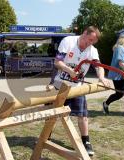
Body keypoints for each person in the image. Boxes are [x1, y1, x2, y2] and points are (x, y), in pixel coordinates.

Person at [51, 26, 110, 156]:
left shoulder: (92, 50)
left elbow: (99, 66)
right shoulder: (68, 41)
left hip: (77, 87)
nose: (89, 43)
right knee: (53, 113)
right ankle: (46, 136)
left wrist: (101, 77)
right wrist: (70, 71)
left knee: (83, 116)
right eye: (89, 40)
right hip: (60, 84)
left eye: (92, 42)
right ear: (84, 33)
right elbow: (57, 62)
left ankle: (86, 142)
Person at [103, 33, 124, 116]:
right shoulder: (120, 48)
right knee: (119, 94)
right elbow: (120, 61)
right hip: (119, 74)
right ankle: (106, 104)